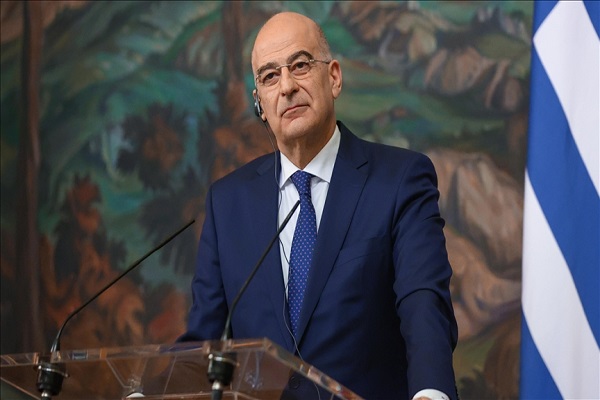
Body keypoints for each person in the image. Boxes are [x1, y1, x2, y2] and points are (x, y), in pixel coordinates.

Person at [179, 11, 458, 400]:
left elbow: (424, 304)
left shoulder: (400, 180)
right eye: (270, 76)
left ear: (334, 77)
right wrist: (148, 392)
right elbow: (203, 342)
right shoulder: (228, 203)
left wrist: (431, 393)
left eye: (300, 65)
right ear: (260, 104)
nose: (287, 87)